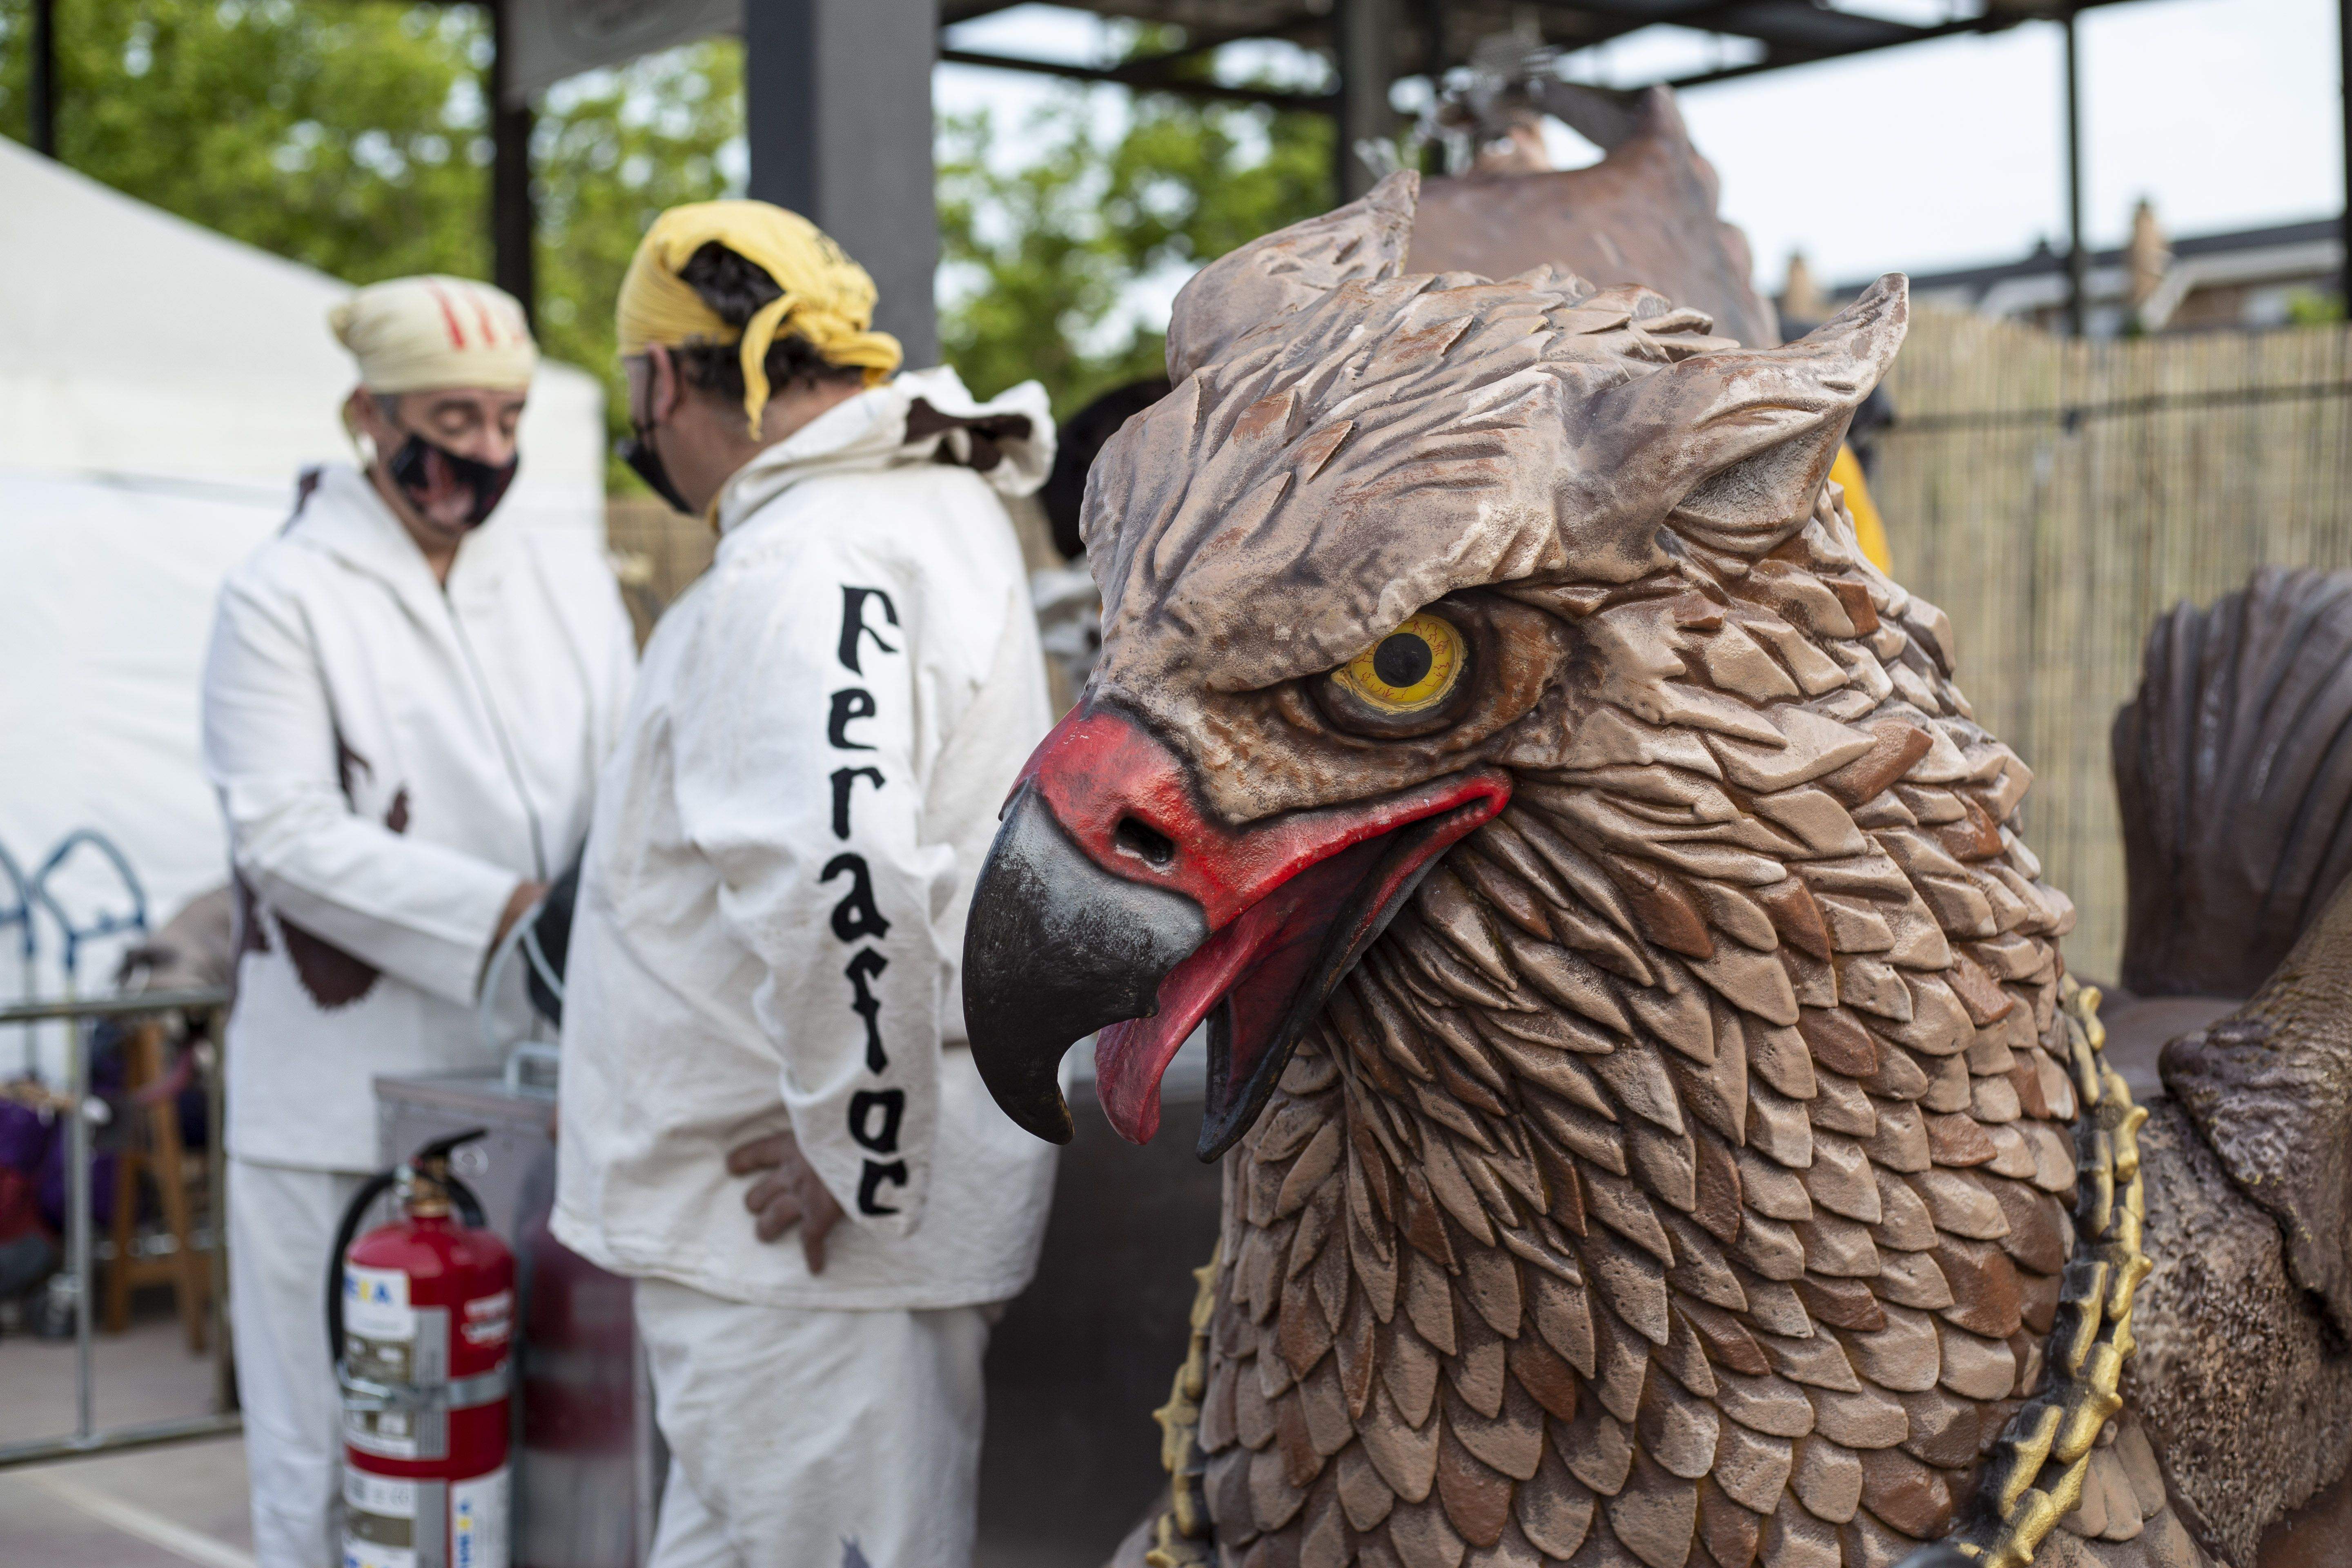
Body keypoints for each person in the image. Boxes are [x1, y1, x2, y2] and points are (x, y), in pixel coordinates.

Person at [552, 203, 1059, 1568]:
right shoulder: (927, 509)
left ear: (662, 375)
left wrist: (858, 1143)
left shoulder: (807, 553)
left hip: (807, 1244)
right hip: (807, 1236)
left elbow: (841, 865)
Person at [200, 275, 636, 1568]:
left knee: (535, 1446)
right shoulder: (281, 594)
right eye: (453, 418)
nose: (485, 453)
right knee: (334, 1452)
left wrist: (596, 910)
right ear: (365, 413)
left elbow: (626, 776)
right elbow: (278, 832)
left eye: (507, 421)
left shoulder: (562, 577)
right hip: (333, 1098)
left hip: (530, 1091)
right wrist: (508, 914)